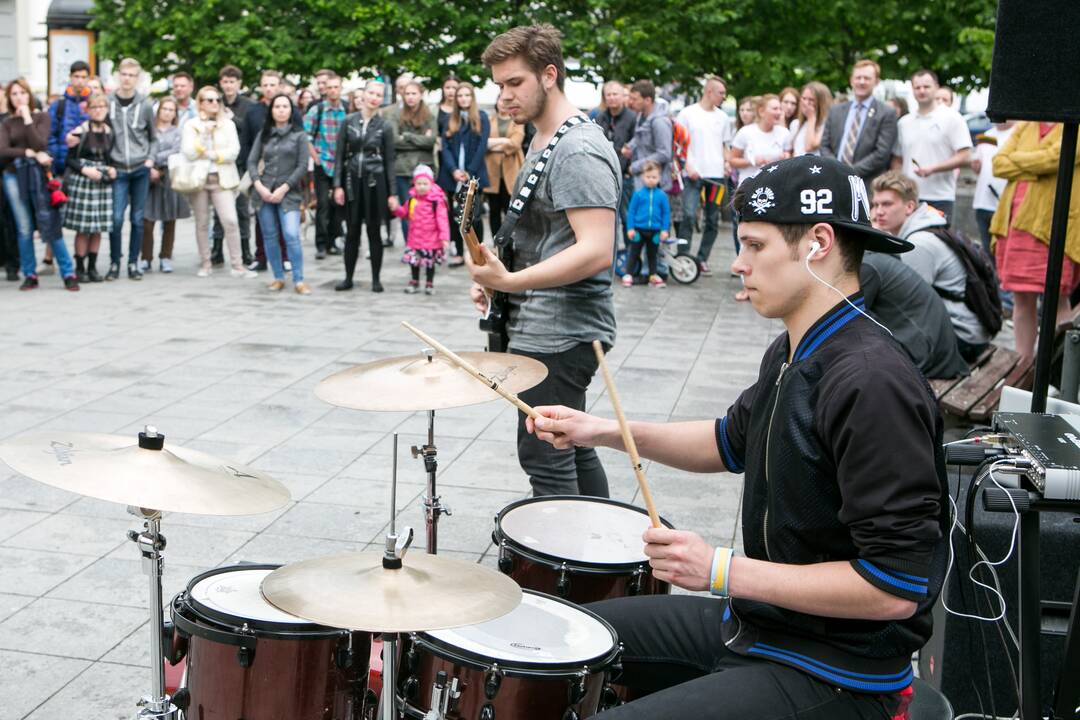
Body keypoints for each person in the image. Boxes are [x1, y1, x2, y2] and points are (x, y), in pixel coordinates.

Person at [527, 155, 947, 719]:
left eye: (754, 246)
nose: (738, 265)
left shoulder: (871, 382)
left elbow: (895, 586)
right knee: (557, 633)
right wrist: (600, 431)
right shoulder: (796, 347)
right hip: (761, 625)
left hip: (839, 670)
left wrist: (720, 570)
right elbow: (727, 441)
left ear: (818, 241)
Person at [468, 23, 618, 498]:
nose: (504, 97)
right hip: (541, 319)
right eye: (499, 86)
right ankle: (599, 559)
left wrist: (512, 282)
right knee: (572, 443)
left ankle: (564, 568)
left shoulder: (578, 148)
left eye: (515, 83)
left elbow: (597, 249)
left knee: (545, 455)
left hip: (562, 327)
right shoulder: (541, 138)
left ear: (549, 75)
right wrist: (499, 278)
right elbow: (546, 236)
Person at [870, 171, 990, 362]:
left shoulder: (918, 243)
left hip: (962, 339)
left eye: (887, 204)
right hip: (969, 331)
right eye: (875, 205)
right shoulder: (924, 226)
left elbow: (908, 306)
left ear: (909, 206)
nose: (878, 212)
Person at [991, 121, 1080, 364]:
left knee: (1058, 298)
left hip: (1054, 225)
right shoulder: (1026, 124)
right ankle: (1024, 367)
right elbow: (999, 163)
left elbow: (1059, 157)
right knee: (1022, 299)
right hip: (1015, 223)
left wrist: (1018, 163)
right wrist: (1037, 167)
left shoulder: (1075, 124)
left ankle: (1059, 368)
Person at [0, 79, 77, 291]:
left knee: (49, 223)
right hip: (14, 176)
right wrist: (28, 153)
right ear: (9, 98)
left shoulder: (41, 117)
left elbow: (40, 143)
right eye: (14, 94)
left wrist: (26, 118)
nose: (18, 97)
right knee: (24, 227)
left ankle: (68, 272)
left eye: (22, 93)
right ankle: (30, 274)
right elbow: (3, 150)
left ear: (29, 95)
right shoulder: (6, 123)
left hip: (38, 176)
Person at [182, 85, 255, 279]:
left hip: (222, 178)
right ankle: (206, 263)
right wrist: (205, 135)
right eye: (210, 100)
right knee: (202, 222)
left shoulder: (228, 124)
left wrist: (211, 154)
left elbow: (233, 152)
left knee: (230, 220)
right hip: (199, 179)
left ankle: (238, 265)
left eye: (217, 100)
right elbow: (188, 152)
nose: (215, 103)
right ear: (201, 103)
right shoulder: (192, 125)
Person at [861, 250, 970, 379]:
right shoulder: (873, 258)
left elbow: (847, 320)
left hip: (927, 354)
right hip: (935, 347)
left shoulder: (866, 267)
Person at [333, 80, 395, 292]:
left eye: (378, 94)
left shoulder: (385, 126)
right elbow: (339, 155)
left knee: (374, 231)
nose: (374, 97)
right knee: (351, 232)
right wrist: (337, 185)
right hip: (351, 182)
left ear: (382, 99)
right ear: (364, 94)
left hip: (375, 183)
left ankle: (376, 279)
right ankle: (348, 277)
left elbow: (390, 161)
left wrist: (392, 192)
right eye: (371, 93)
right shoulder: (348, 121)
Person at [891, 69, 972, 225]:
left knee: (936, 244)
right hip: (909, 197)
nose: (922, 91)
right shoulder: (904, 122)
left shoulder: (952, 118)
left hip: (940, 197)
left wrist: (933, 169)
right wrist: (899, 183)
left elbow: (965, 154)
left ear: (936, 87)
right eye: (917, 87)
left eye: (926, 87)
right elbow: (898, 159)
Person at [249, 93, 311, 294]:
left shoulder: (300, 135)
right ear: (272, 110)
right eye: (277, 106)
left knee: (291, 234)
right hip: (265, 192)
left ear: (291, 110)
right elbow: (251, 161)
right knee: (269, 235)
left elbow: (302, 166)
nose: (281, 110)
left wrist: (284, 187)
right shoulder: (264, 134)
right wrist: (259, 186)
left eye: (285, 106)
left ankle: (299, 278)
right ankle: (277, 277)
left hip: (289, 193)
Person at [676, 76, 732, 275]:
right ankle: (683, 257)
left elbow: (725, 145)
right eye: (721, 93)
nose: (724, 97)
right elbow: (678, 145)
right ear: (709, 91)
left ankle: (701, 259)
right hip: (693, 175)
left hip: (715, 177)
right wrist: (687, 165)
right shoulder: (687, 114)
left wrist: (727, 163)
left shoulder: (723, 118)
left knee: (712, 218)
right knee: (689, 215)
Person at [106, 58, 156, 281]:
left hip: (139, 168)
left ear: (138, 78)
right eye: (124, 74)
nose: (127, 79)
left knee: (137, 218)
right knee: (116, 218)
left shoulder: (145, 104)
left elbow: (153, 137)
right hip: (117, 168)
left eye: (132, 75)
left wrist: (150, 159)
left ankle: (133, 263)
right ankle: (115, 261)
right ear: (119, 75)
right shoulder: (108, 102)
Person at [63, 92, 115, 283]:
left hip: (101, 181)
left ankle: (92, 267)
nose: (99, 110)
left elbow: (111, 158)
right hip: (84, 180)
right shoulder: (80, 131)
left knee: (98, 227)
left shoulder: (110, 131)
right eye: (95, 107)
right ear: (88, 110)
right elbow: (69, 159)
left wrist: (112, 169)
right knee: (83, 228)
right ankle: (80, 267)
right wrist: (85, 169)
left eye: (102, 107)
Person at [437, 81, 490, 266]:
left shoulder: (482, 117)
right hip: (452, 176)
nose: (463, 99)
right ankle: (458, 252)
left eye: (467, 95)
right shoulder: (449, 119)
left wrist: (469, 172)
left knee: (474, 217)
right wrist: (453, 170)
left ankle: (478, 252)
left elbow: (482, 147)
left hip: (473, 175)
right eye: (460, 96)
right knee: (455, 216)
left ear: (472, 97)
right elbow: (446, 148)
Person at [820, 59, 898, 182]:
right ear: (851, 80)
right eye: (858, 77)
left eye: (867, 78)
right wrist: (835, 169)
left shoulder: (886, 113)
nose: (861, 82)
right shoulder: (835, 111)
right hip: (833, 180)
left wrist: (848, 172)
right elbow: (824, 146)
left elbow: (881, 153)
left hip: (866, 184)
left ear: (876, 82)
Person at [142, 97, 189, 274]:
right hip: (149, 175)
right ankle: (145, 257)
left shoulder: (177, 132)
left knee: (169, 219)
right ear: (158, 110)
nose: (168, 113)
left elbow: (176, 151)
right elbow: (145, 148)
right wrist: (151, 164)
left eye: (171, 110)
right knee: (147, 220)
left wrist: (155, 157)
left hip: (169, 176)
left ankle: (165, 257)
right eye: (165, 109)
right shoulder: (149, 130)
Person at [386, 80, 437, 242]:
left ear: (421, 95)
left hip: (424, 170)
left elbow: (431, 142)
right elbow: (394, 140)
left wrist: (407, 136)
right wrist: (420, 139)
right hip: (402, 169)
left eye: (414, 93)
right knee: (407, 210)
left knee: (426, 210)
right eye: (407, 93)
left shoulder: (429, 116)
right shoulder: (396, 115)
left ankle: (426, 245)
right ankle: (411, 246)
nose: (410, 97)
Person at [304, 70, 347, 259]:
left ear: (341, 88)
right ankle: (321, 244)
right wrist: (315, 157)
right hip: (323, 162)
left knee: (338, 204)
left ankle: (333, 241)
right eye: (329, 87)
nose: (332, 91)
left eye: (336, 87)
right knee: (322, 204)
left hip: (342, 163)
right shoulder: (317, 110)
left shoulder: (347, 109)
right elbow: (305, 136)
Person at [393, 163, 449, 294]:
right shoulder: (412, 200)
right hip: (415, 239)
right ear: (414, 184)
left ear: (431, 184)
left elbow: (442, 220)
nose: (422, 186)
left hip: (431, 240)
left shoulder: (436, 201)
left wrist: (444, 238)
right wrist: (396, 209)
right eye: (419, 183)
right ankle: (414, 281)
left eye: (425, 183)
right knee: (414, 262)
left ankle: (430, 283)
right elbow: (405, 213)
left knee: (430, 263)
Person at [596, 80, 637, 234]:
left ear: (622, 96)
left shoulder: (632, 118)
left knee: (628, 220)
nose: (612, 98)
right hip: (604, 177)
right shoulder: (601, 117)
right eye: (609, 95)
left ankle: (631, 257)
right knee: (607, 222)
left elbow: (637, 144)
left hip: (625, 176)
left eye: (615, 94)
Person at [623, 160, 670, 288]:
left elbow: (666, 214)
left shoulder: (662, 196)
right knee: (634, 253)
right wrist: (630, 228)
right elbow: (631, 212)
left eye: (654, 177)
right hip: (639, 230)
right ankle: (628, 274)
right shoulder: (638, 194)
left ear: (659, 178)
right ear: (643, 177)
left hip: (655, 231)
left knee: (653, 255)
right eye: (648, 177)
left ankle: (653, 275)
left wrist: (665, 230)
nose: (651, 180)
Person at [971, 121, 1015, 255]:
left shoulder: (1019, 133)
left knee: (1004, 250)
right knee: (987, 250)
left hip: (1005, 204)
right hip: (983, 202)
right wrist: (976, 166)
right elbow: (979, 168)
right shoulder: (987, 135)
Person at [623, 79, 673, 192]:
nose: (630, 102)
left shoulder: (660, 122)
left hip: (656, 185)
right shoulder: (641, 116)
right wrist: (630, 146)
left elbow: (664, 154)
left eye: (634, 99)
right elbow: (640, 137)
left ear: (648, 100)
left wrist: (636, 167)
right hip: (641, 182)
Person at [484, 100, 525, 236]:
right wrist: (504, 141)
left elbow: (515, 143)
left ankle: (510, 241)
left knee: (510, 209)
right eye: (500, 101)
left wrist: (494, 144)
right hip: (493, 171)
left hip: (511, 170)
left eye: (505, 101)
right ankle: (496, 241)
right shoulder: (489, 120)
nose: (502, 104)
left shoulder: (517, 121)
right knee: (494, 210)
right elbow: (484, 143)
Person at [729, 94, 789, 184]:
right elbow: (732, 160)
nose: (779, 112)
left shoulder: (784, 133)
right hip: (749, 186)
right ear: (761, 112)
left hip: (776, 186)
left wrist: (786, 157)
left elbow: (791, 156)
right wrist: (752, 161)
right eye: (775, 109)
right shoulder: (745, 132)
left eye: (780, 109)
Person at [47, 60, 90, 177]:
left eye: (83, 77)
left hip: (88, 165)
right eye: (76, 76)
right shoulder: (59, 104)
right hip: (62, 165)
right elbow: (50, 135)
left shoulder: (94, 104)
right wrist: (55, 158)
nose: (80, 81)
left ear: (88, 79)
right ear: (70, 77)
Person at [786, 81, 831, 157]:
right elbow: (788, 149)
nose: (806, 103)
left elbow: (809, 147)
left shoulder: (826, 124)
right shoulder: (796, 124)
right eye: (804, 98)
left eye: (811, 100)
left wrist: (811, 118)